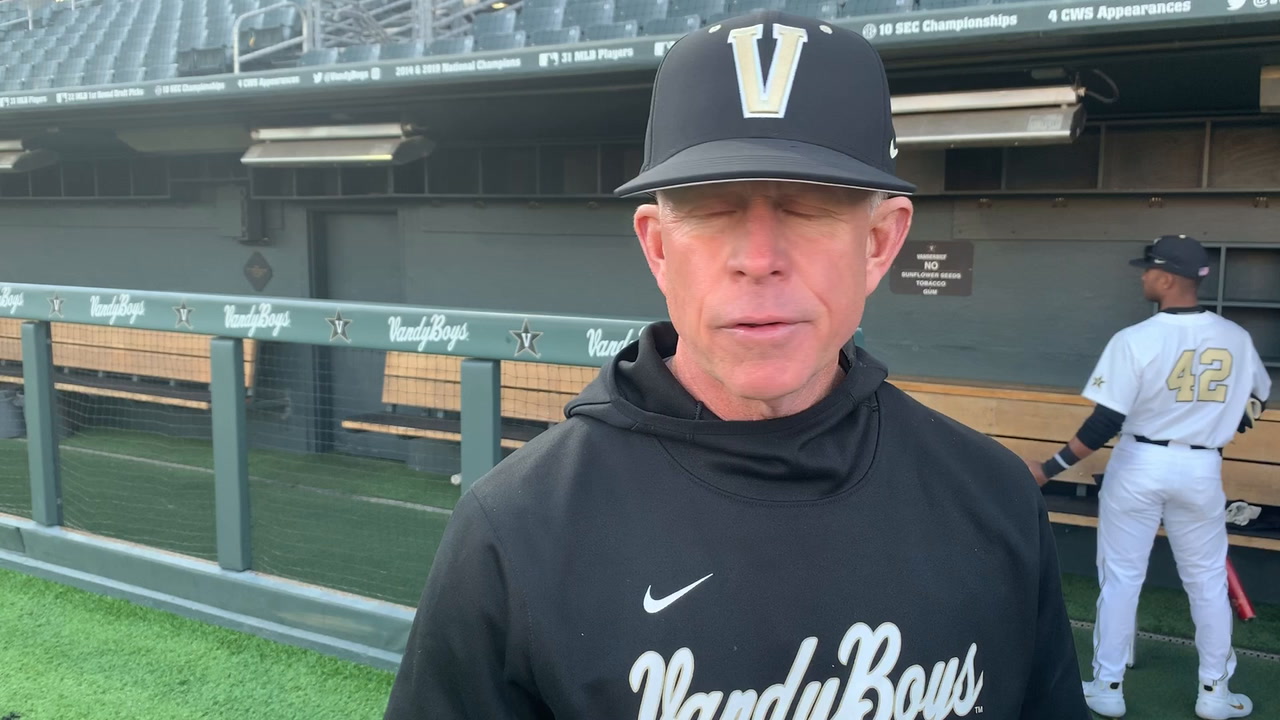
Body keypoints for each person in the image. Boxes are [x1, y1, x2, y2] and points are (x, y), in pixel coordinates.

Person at [385, 11, 1089, 719]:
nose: (758, 258)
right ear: (658, 247)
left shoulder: (991, 494)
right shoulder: (514, 524)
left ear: (880, 242)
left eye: (808, 207)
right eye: (713, 209)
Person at [1025, 234, 1271, 720]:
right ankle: (1214, 694)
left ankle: (1109, 686)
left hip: (1140, 463)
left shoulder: (1136, 338)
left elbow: (1104, 422)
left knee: (1121, 579)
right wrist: (1214, 426)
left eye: (1148, 270)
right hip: (1200, 465)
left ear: (1167, 277)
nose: (1143, 277)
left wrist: (1049, 469)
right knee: (1204, 583)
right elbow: (1257, 401)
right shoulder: (1236, 338)